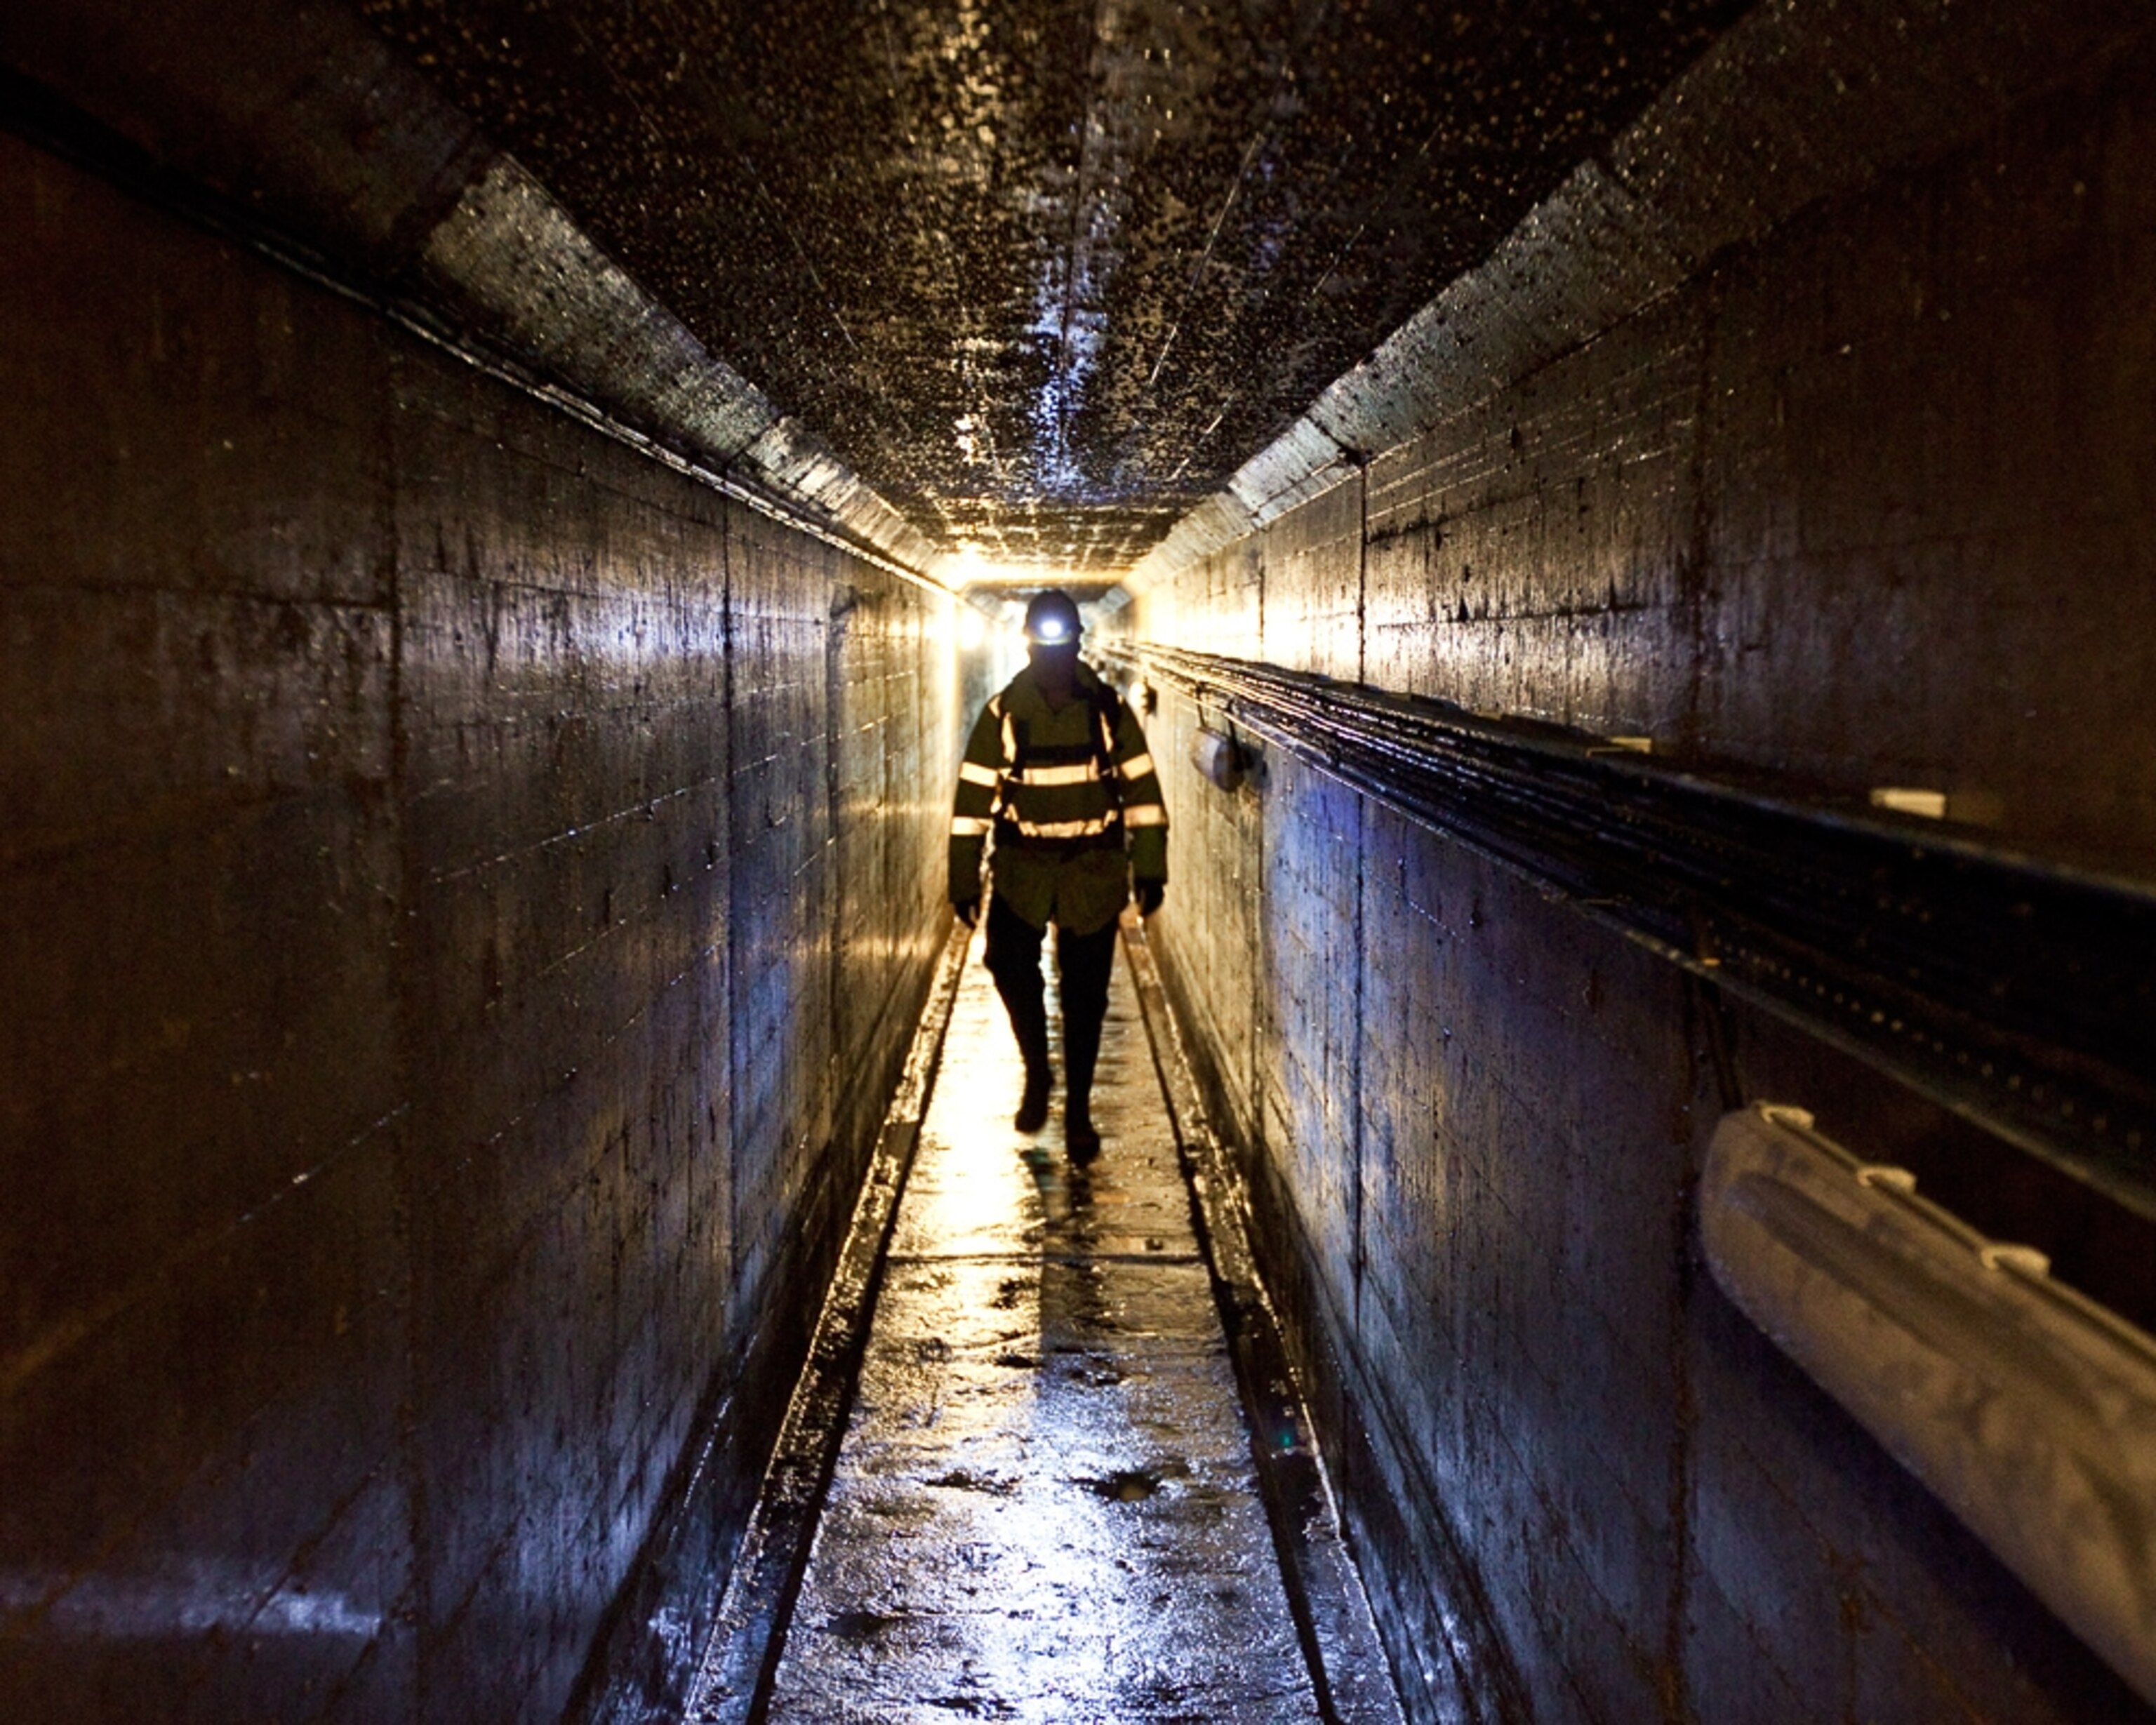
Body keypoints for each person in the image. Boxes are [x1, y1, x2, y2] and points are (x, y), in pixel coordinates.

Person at [948, 590, 1168, 1159]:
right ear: (1027, 645)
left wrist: (1149, 869)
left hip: (1092, 873)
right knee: (1006, 962)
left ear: (1077, 645)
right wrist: (964, 879)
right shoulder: (1003, 714)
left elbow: (1142, 791)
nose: (1052, 657)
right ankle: (1038, 1072)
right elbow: (972, 801)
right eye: (1043, 646)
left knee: (1086, 997)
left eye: (1061, 645)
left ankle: (1078, 1112)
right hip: (1022, 871)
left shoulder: (1107, 711)